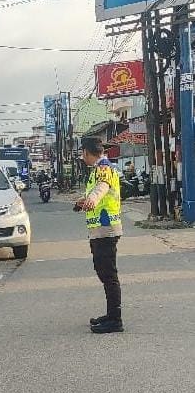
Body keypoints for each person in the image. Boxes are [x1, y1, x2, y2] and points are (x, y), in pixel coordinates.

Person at [75, 137, 124, 334]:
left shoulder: (104, 168)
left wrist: (93, 199)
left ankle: (115, 320)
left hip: (106, 230)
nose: (82, 157)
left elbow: (102, 187)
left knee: (108, 274)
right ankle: (111, 315)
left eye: (82, 153)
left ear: (87, 152)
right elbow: (97, 190)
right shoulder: (98, 169)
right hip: (100, 231)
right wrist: (83, 200)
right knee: (103, 272)